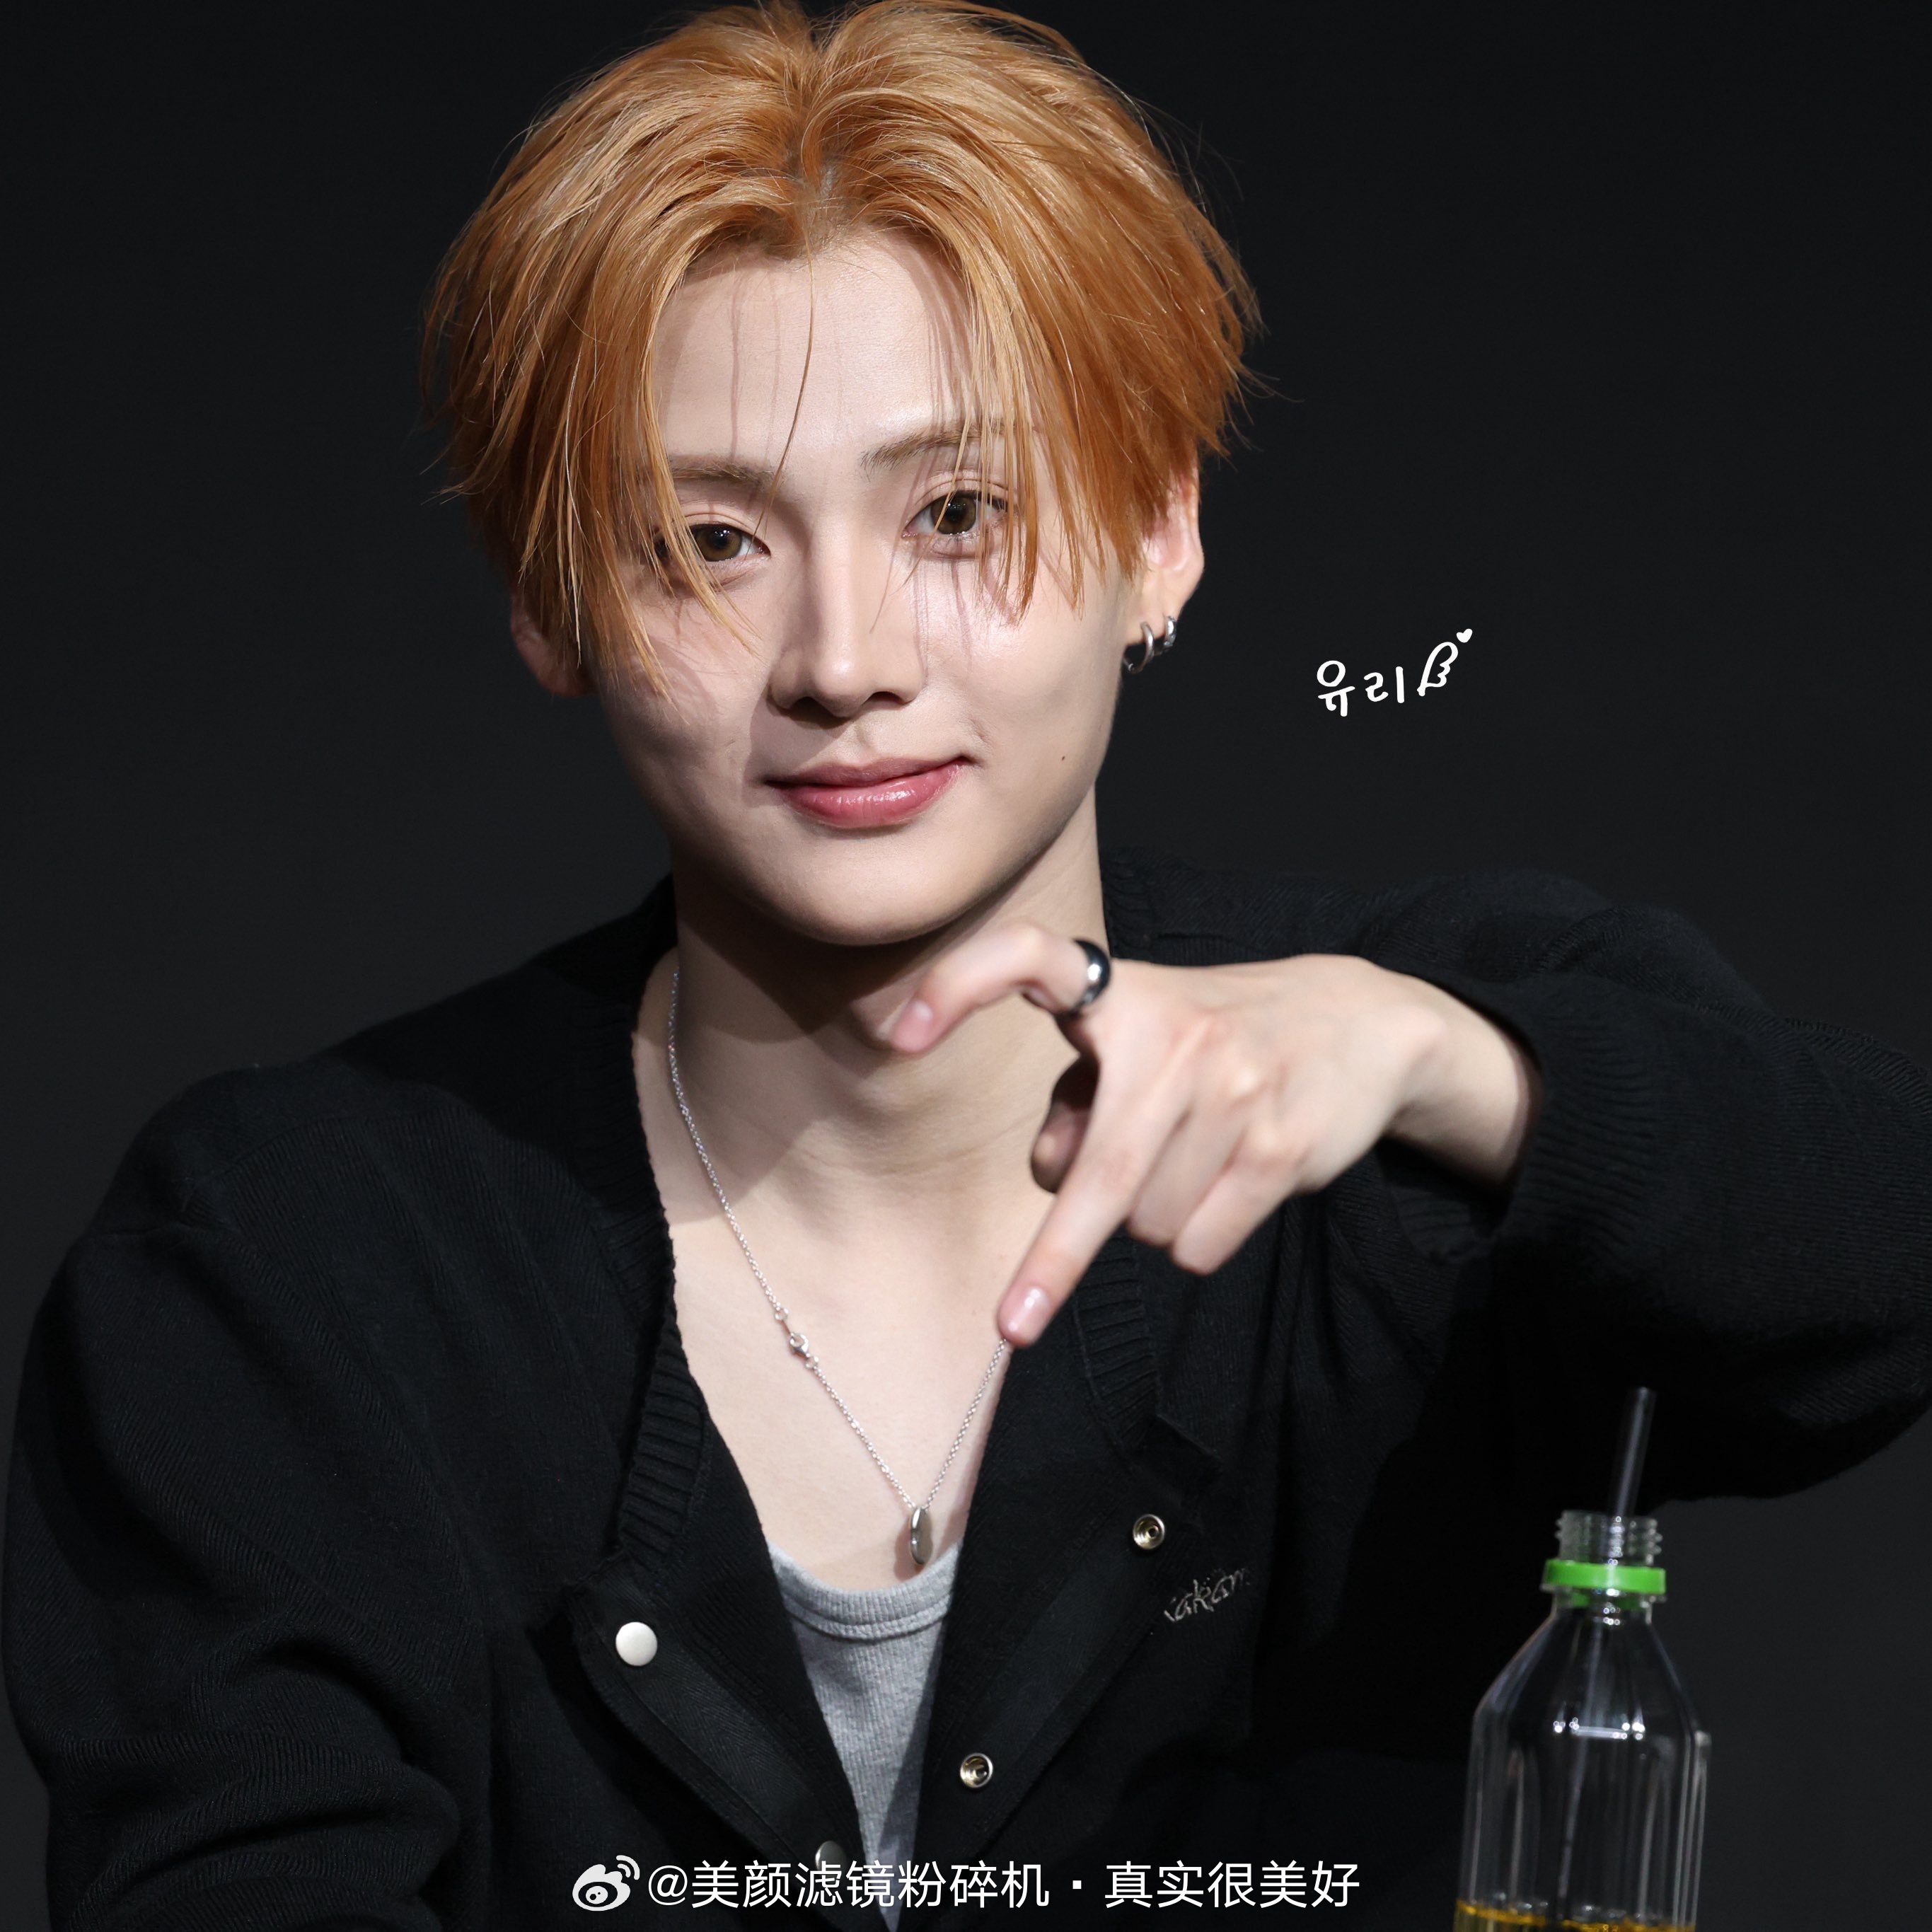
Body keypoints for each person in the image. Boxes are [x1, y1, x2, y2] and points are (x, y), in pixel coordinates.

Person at [6, 4, 1930, 1928]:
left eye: (955, 511)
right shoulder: (290, 1265)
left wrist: (1452, 1070)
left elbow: (1875, 1247)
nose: (843, 660)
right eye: (707, 539)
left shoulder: (1419, 1083)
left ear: (1159, 528)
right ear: (549, 600)